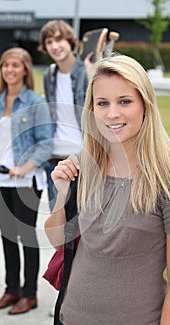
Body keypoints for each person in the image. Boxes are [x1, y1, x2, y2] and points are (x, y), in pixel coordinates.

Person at [44, 54, 170, 325]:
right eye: (103, 103)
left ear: (145, 106)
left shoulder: (163, 179)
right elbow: (57, 240)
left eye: (124, 101)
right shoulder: (82, 166)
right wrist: (63, 193)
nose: (112, 114)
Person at [0, 47, 53, 315]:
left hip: (26, 179)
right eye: (6, 65)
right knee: (7, 236)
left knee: (25, 235)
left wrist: (24, 167)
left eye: (15, 65)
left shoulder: (35, 102)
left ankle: (29, 294)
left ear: (25, 69)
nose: (10, 70)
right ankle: (11, 289)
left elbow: (46, 143)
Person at [38, 19, 99, 212]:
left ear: (70, 41)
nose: (55, 46)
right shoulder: (49, 75)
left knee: (87, 226)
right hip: (55, 160)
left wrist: (93, 77)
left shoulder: (89, 70)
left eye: (59, 39)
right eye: (49, 42)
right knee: (59, 227)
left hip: (84, 160)